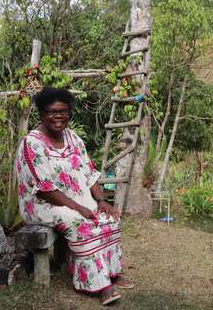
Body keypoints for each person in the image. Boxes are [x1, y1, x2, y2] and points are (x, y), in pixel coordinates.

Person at [15, 87, 133, 305]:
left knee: (109, 216)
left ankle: (111, 272)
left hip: (75, 199)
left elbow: (89, 173)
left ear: (69, 113)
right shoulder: (31, 144)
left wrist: (100, 200)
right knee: (80, 222)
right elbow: (44, 189)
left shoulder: (74, 138)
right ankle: (98, 284)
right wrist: (79, 209)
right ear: (41, 114)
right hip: (42, 204)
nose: (58, 116)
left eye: (63, 111)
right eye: (51, 111)